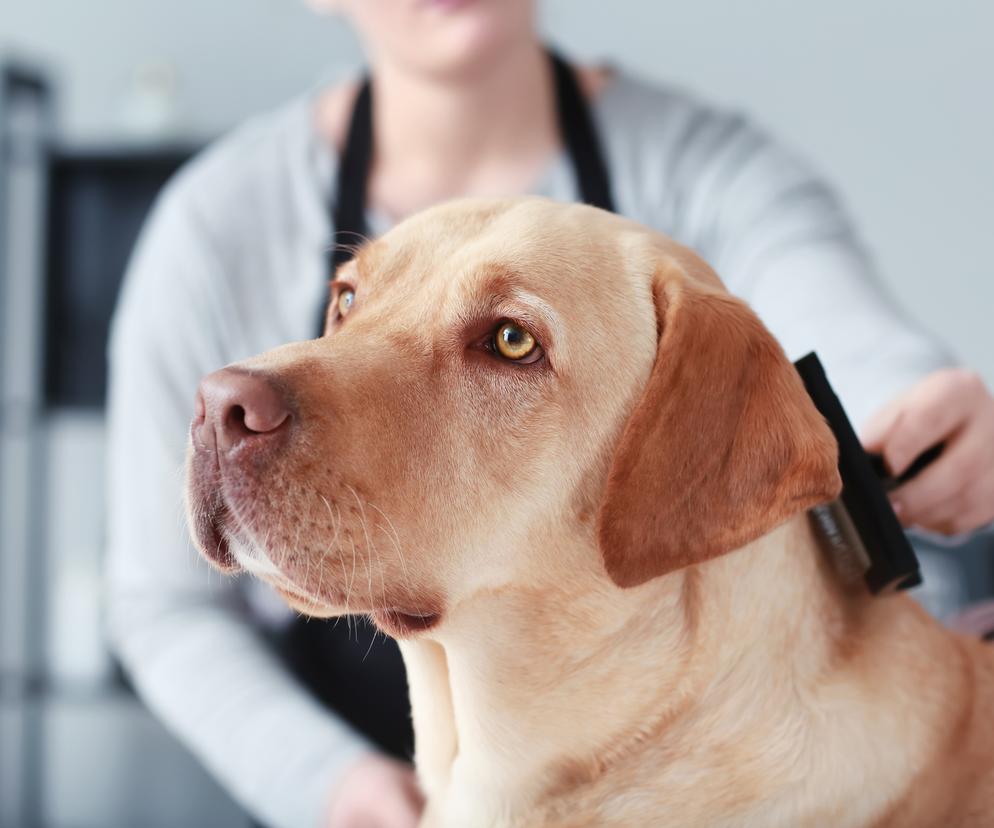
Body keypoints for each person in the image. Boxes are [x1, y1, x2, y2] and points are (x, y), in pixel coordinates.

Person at [106, 1, 994, 827]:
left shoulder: (707, 167)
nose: (248, 394)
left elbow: (836, 338)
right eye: (350, 301)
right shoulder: (214, 218)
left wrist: (915, 405)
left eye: (508, 342)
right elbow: (163, 606)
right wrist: (333, 786)